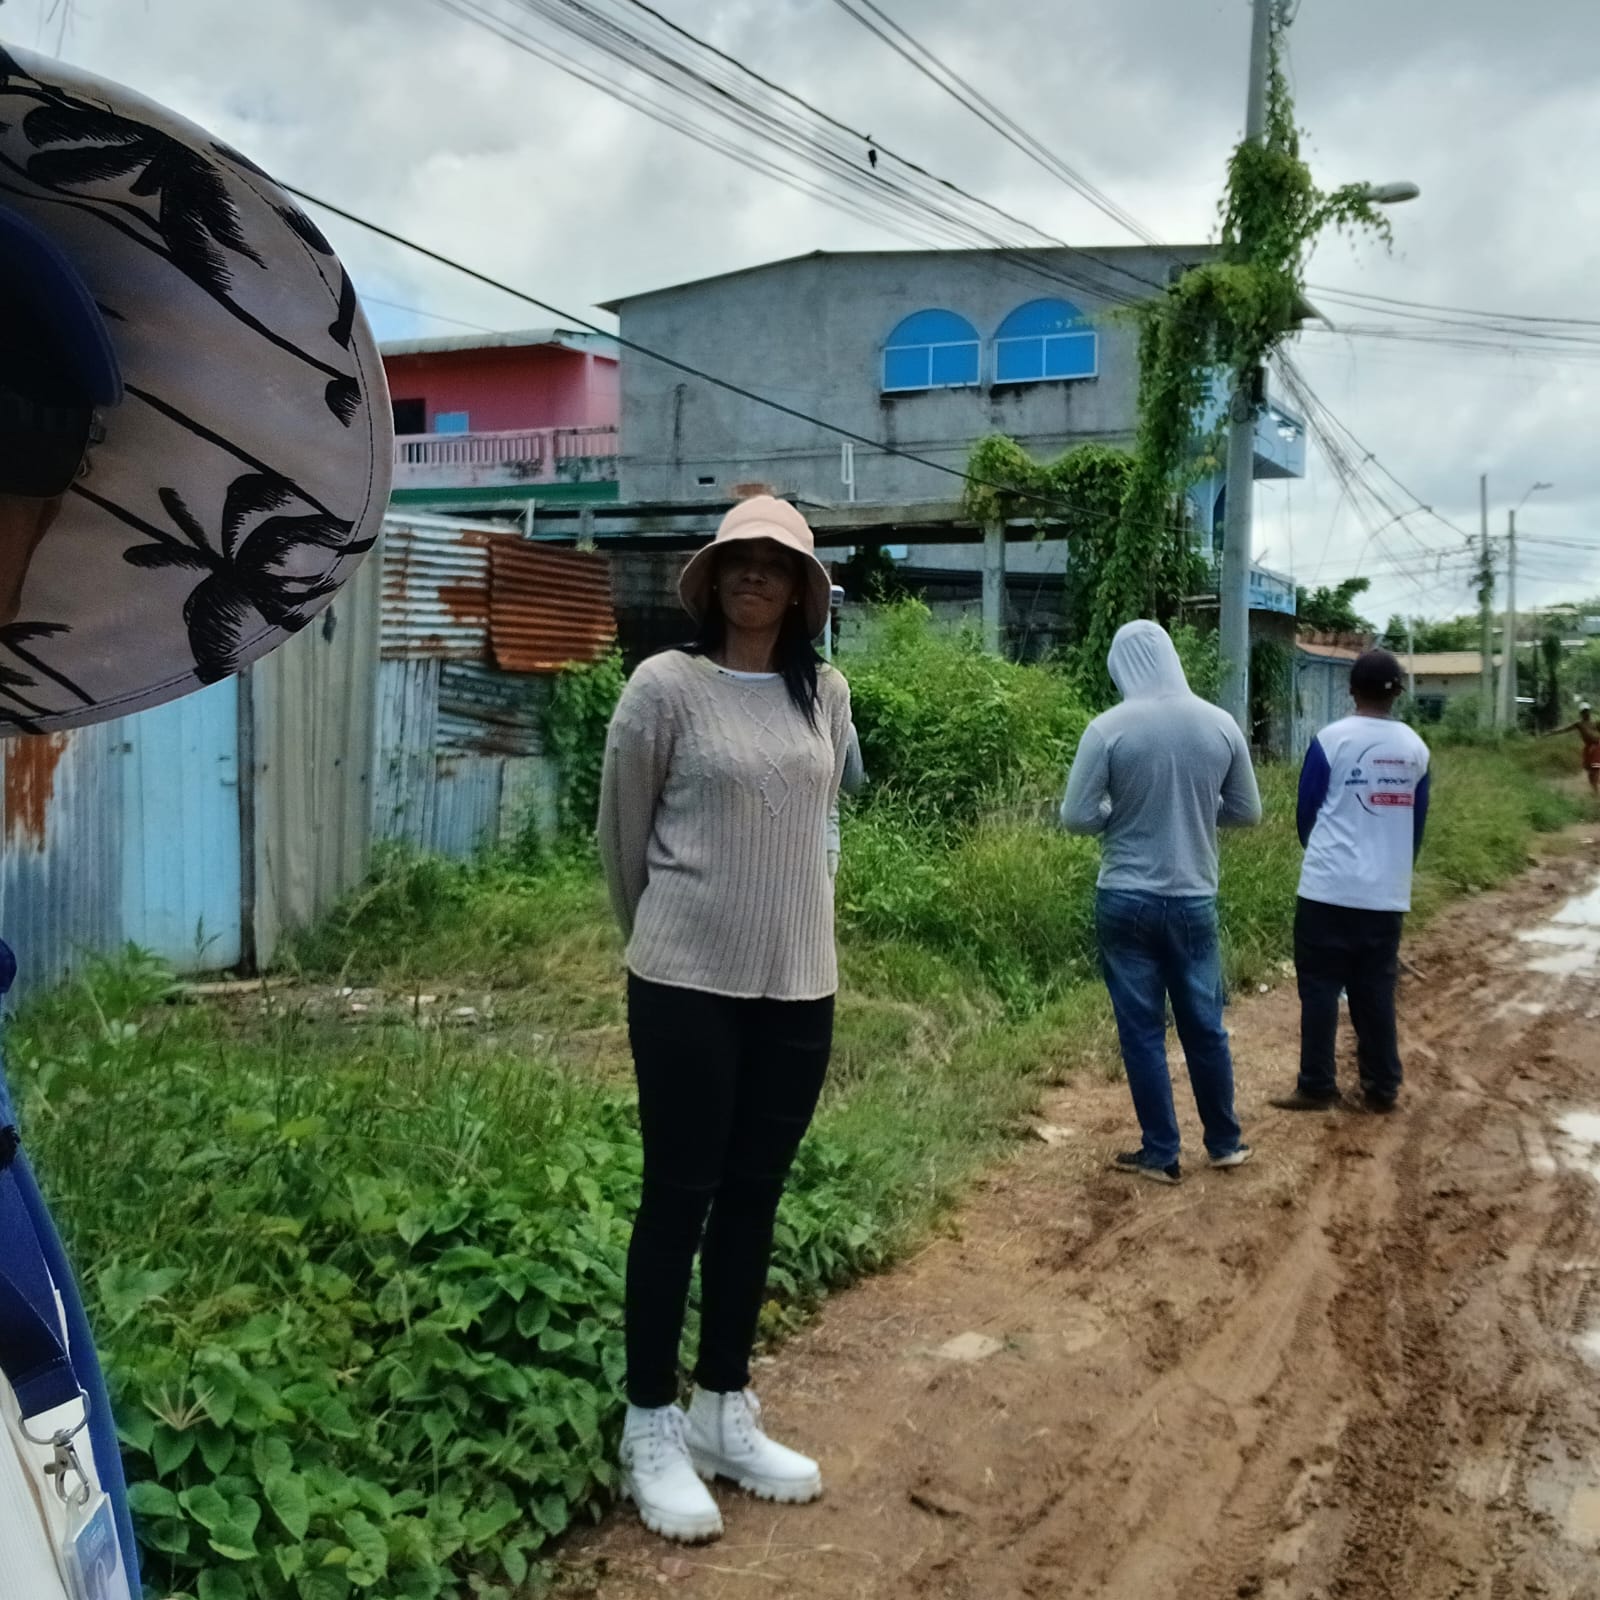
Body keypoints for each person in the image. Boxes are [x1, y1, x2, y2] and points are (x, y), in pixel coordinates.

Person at [597, 495, 854, 1544]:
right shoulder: (664, 686)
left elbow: (822, 827)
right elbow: (622, 839)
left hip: (799, 986)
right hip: (685, 985)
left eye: (776, 563)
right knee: (678, 1198)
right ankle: (649, 1422)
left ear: (799, 591)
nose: (756, 575)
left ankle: (721, 1407)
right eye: (739, 559)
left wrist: (797, 928)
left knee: (754, 1197)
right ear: (713, 579)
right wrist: (667, 941)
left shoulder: (824, 693)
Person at [1060, 620, 1262, 1185]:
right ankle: (1224, 1142)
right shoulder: (1220, 725)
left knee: (1142, 1030)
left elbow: (1076, 816)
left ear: (1121, 667)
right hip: (1194, 898)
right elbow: (1247, 811)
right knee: (1205, 1025)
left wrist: (1117, 813)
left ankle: (1161, 1152)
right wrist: (1197, 808)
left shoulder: (1107, 729)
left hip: (1126, 898)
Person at [1270, 648, 1430, 1115]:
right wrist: (1393, 869)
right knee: (1375, 988)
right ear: (1397, 693)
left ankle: (1317, 1085)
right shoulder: (1416, 749)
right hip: (1385, 894)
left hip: (1327, 888)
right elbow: (1415, 824)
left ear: (1351, 689)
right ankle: (1381, 1086)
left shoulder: (1331, 739)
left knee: (1319, 987)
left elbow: (1306, 812)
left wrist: (1323, 854)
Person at [1546, 701, 1600, 795]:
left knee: (1595, 770)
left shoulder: (1595, 723)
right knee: (1590, 772)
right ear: (1581, 713)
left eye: (1587, 711)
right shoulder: (1579, 724)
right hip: (1588, 749)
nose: (1586, 713)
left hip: (1597, 748)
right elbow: (1564, 729)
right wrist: (1552, 732)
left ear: (1589, 712)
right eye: (1584, 711)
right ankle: (1594, 790)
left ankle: (1595, 792)